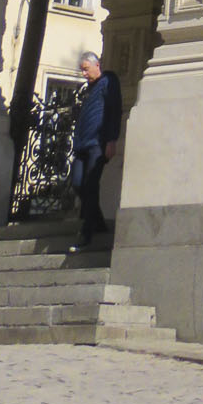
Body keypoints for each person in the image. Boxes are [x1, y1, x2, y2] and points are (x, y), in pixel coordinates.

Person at [68, 50, 122, 253]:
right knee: (78, 183)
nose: (84, 74)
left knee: (91, 185)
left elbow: (114, 110)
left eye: (86, 69)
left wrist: (111, 140)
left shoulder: (108, 81)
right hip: (82, 145)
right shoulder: (88, 89)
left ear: (96, 65)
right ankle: (98, 221)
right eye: (82, 70)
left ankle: (87, 232)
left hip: (98, 144)